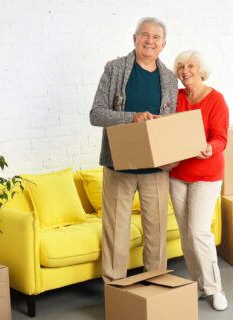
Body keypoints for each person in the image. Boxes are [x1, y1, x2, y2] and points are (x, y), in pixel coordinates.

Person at [89, 17, 178, 283]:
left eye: (156, 38)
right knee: (116, 230)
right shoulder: (115, 69)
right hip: (120, 165)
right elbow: (96, 114)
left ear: (163, 45)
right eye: (144, 35)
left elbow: (171, 124)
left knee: (157, 232)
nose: (149, 41)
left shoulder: (170, 80)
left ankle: (156, 287)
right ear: (135, 38)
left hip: (156, 167)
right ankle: (115, 289)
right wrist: (132, 117)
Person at [167, 50, 229, 311]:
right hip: (178, 174)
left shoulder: (216, 99)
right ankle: (199, 285)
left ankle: (215, 289)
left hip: (206, 174)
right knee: (186, 235)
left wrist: (210, 148)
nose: (185, 71)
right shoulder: (176, 98)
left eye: (190, 66)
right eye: (180, 66)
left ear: (201, 70)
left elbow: (221, 137)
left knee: (198, 232)